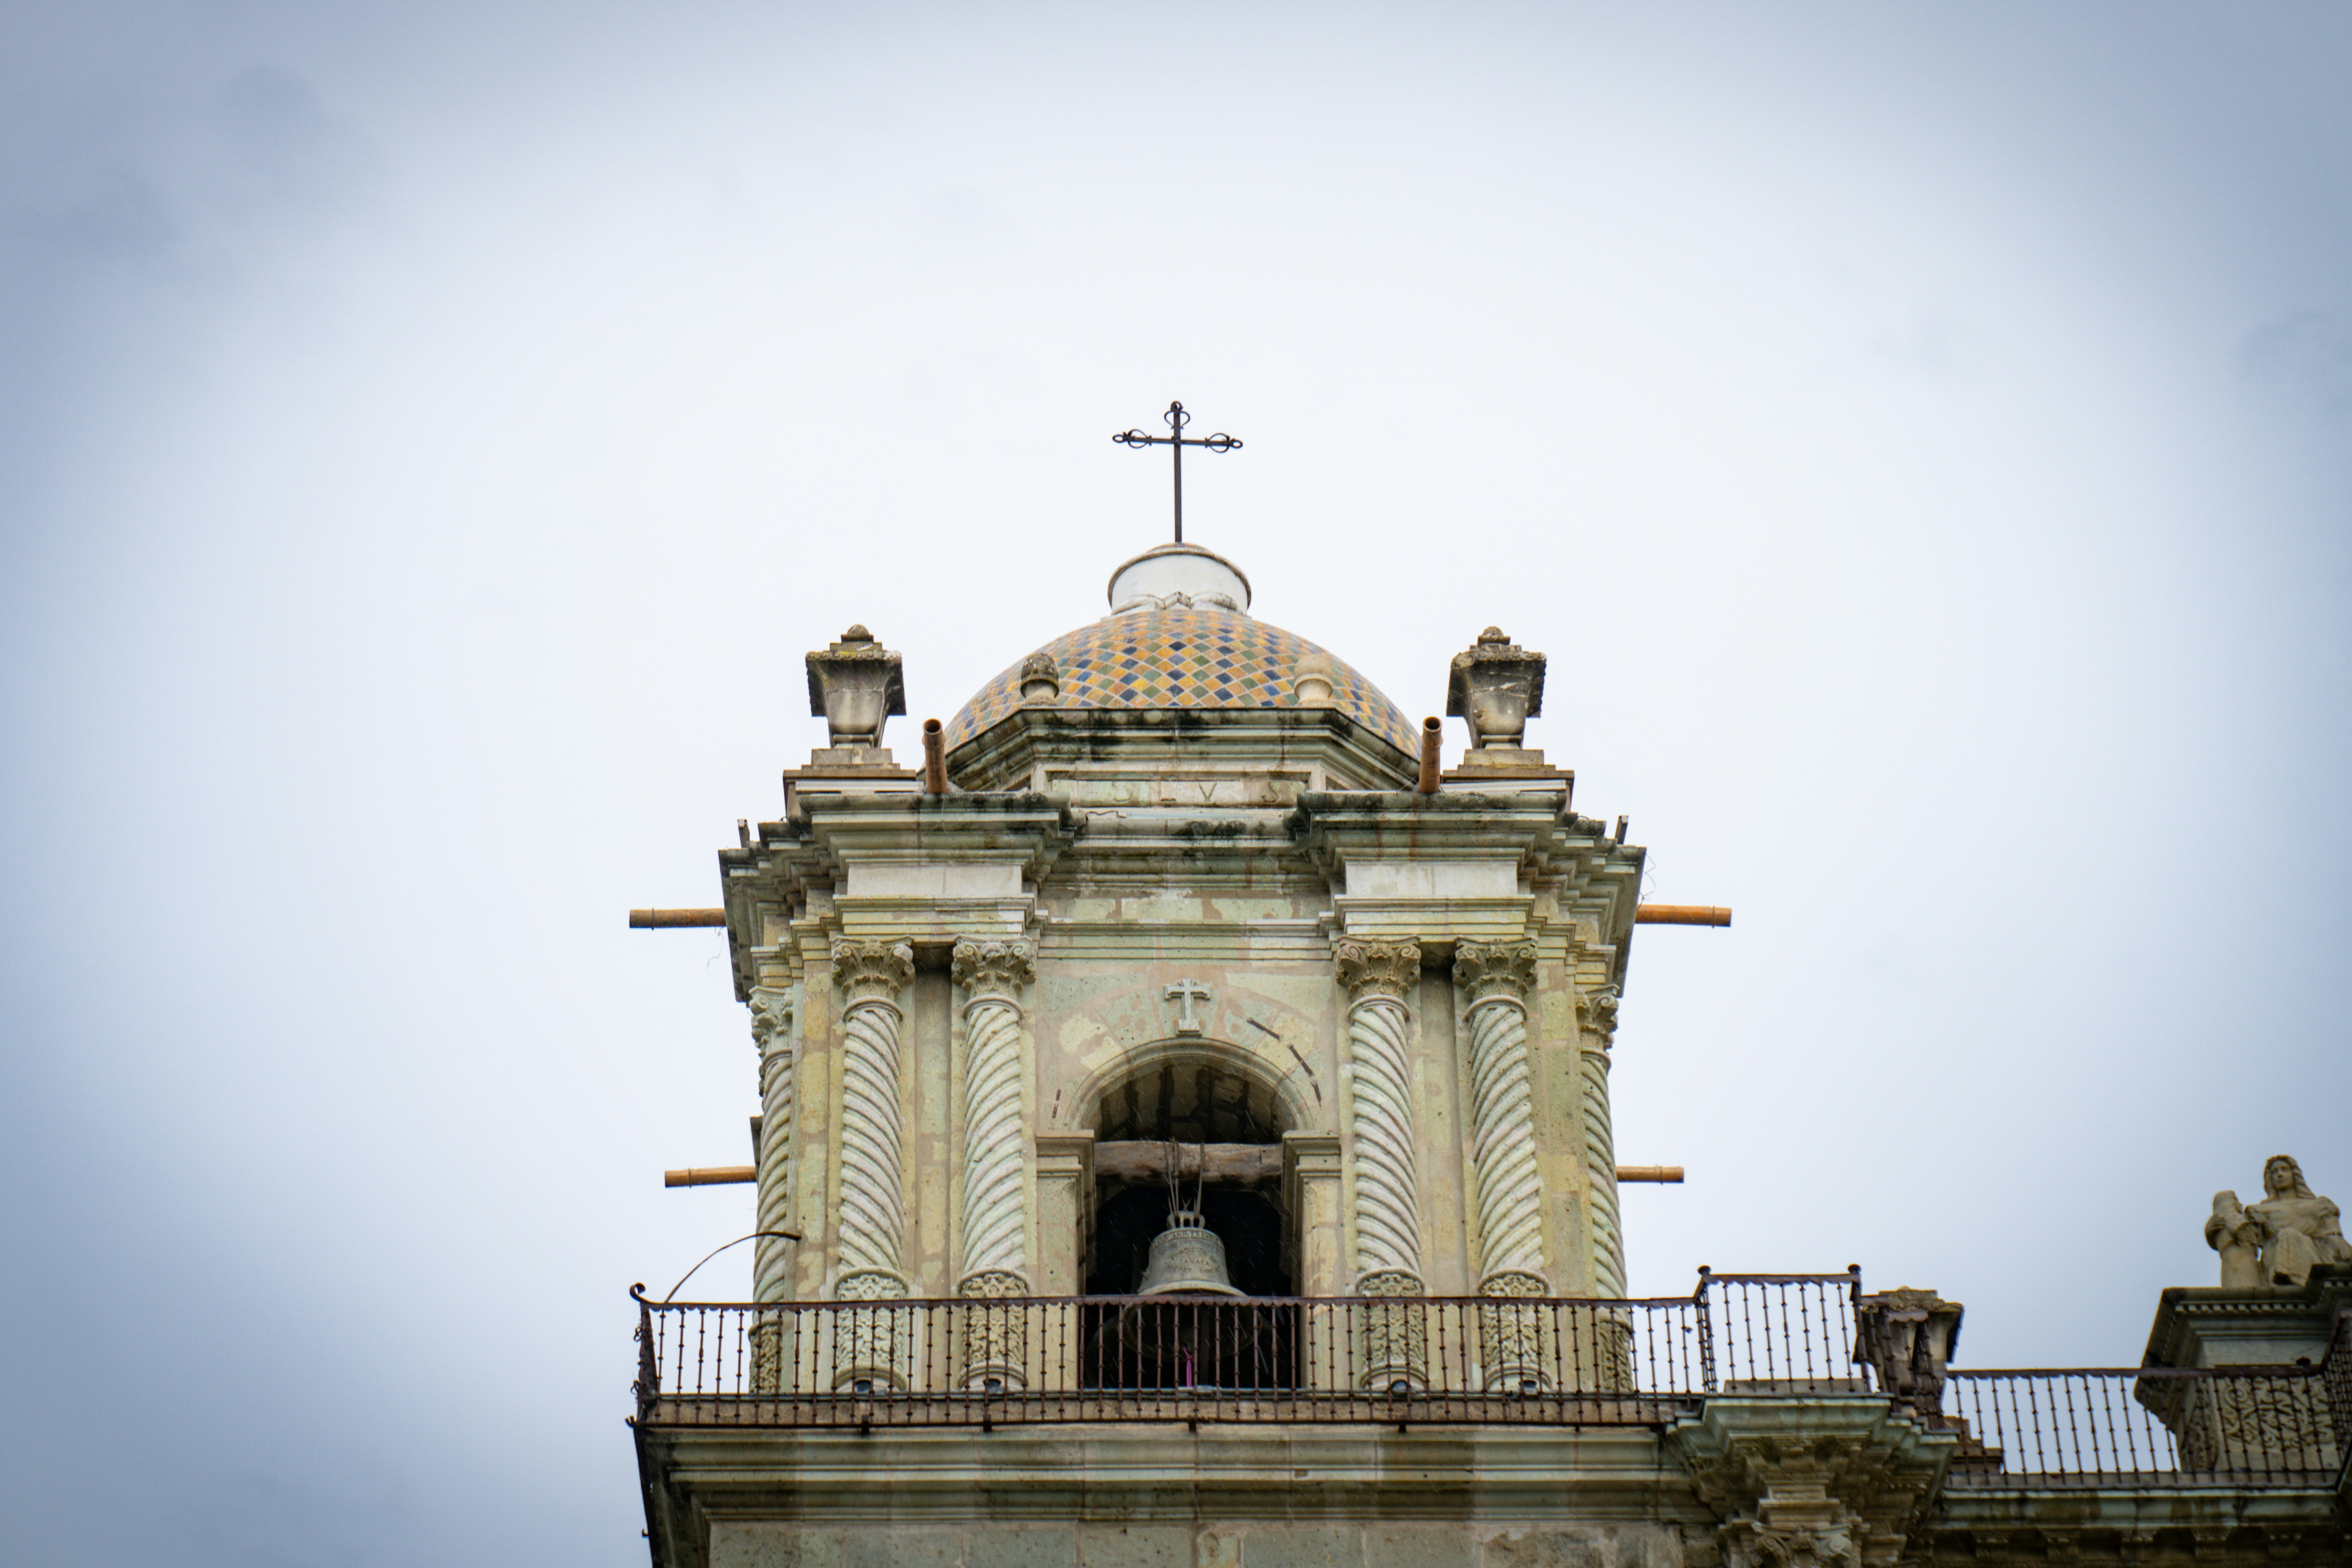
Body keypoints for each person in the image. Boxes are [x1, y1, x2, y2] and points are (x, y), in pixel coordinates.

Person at [2208, 1155, 2352, 1289]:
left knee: (2290, 1236)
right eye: (2275, 1172)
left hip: (2319, 1254)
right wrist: (2211, 1232)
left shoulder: (2321, 1205)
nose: (2280, 1175)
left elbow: (2334, 1236)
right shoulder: (2259, 1211)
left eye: (2284, 1170)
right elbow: (2243, 1238)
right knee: (2225, 1200)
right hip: (2275, 1255)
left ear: (2294, 1174)